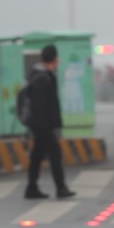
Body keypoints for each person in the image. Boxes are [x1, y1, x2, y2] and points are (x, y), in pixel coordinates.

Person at [24, 44, 75, 200]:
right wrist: (45, 125)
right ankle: (60, 188)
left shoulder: (43, 75)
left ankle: (31, 187)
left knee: (37, 155)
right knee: (55, 153)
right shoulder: (42, 77)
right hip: (42, 125)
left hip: (41, 124)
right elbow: (40, 105)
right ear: (55, 59)